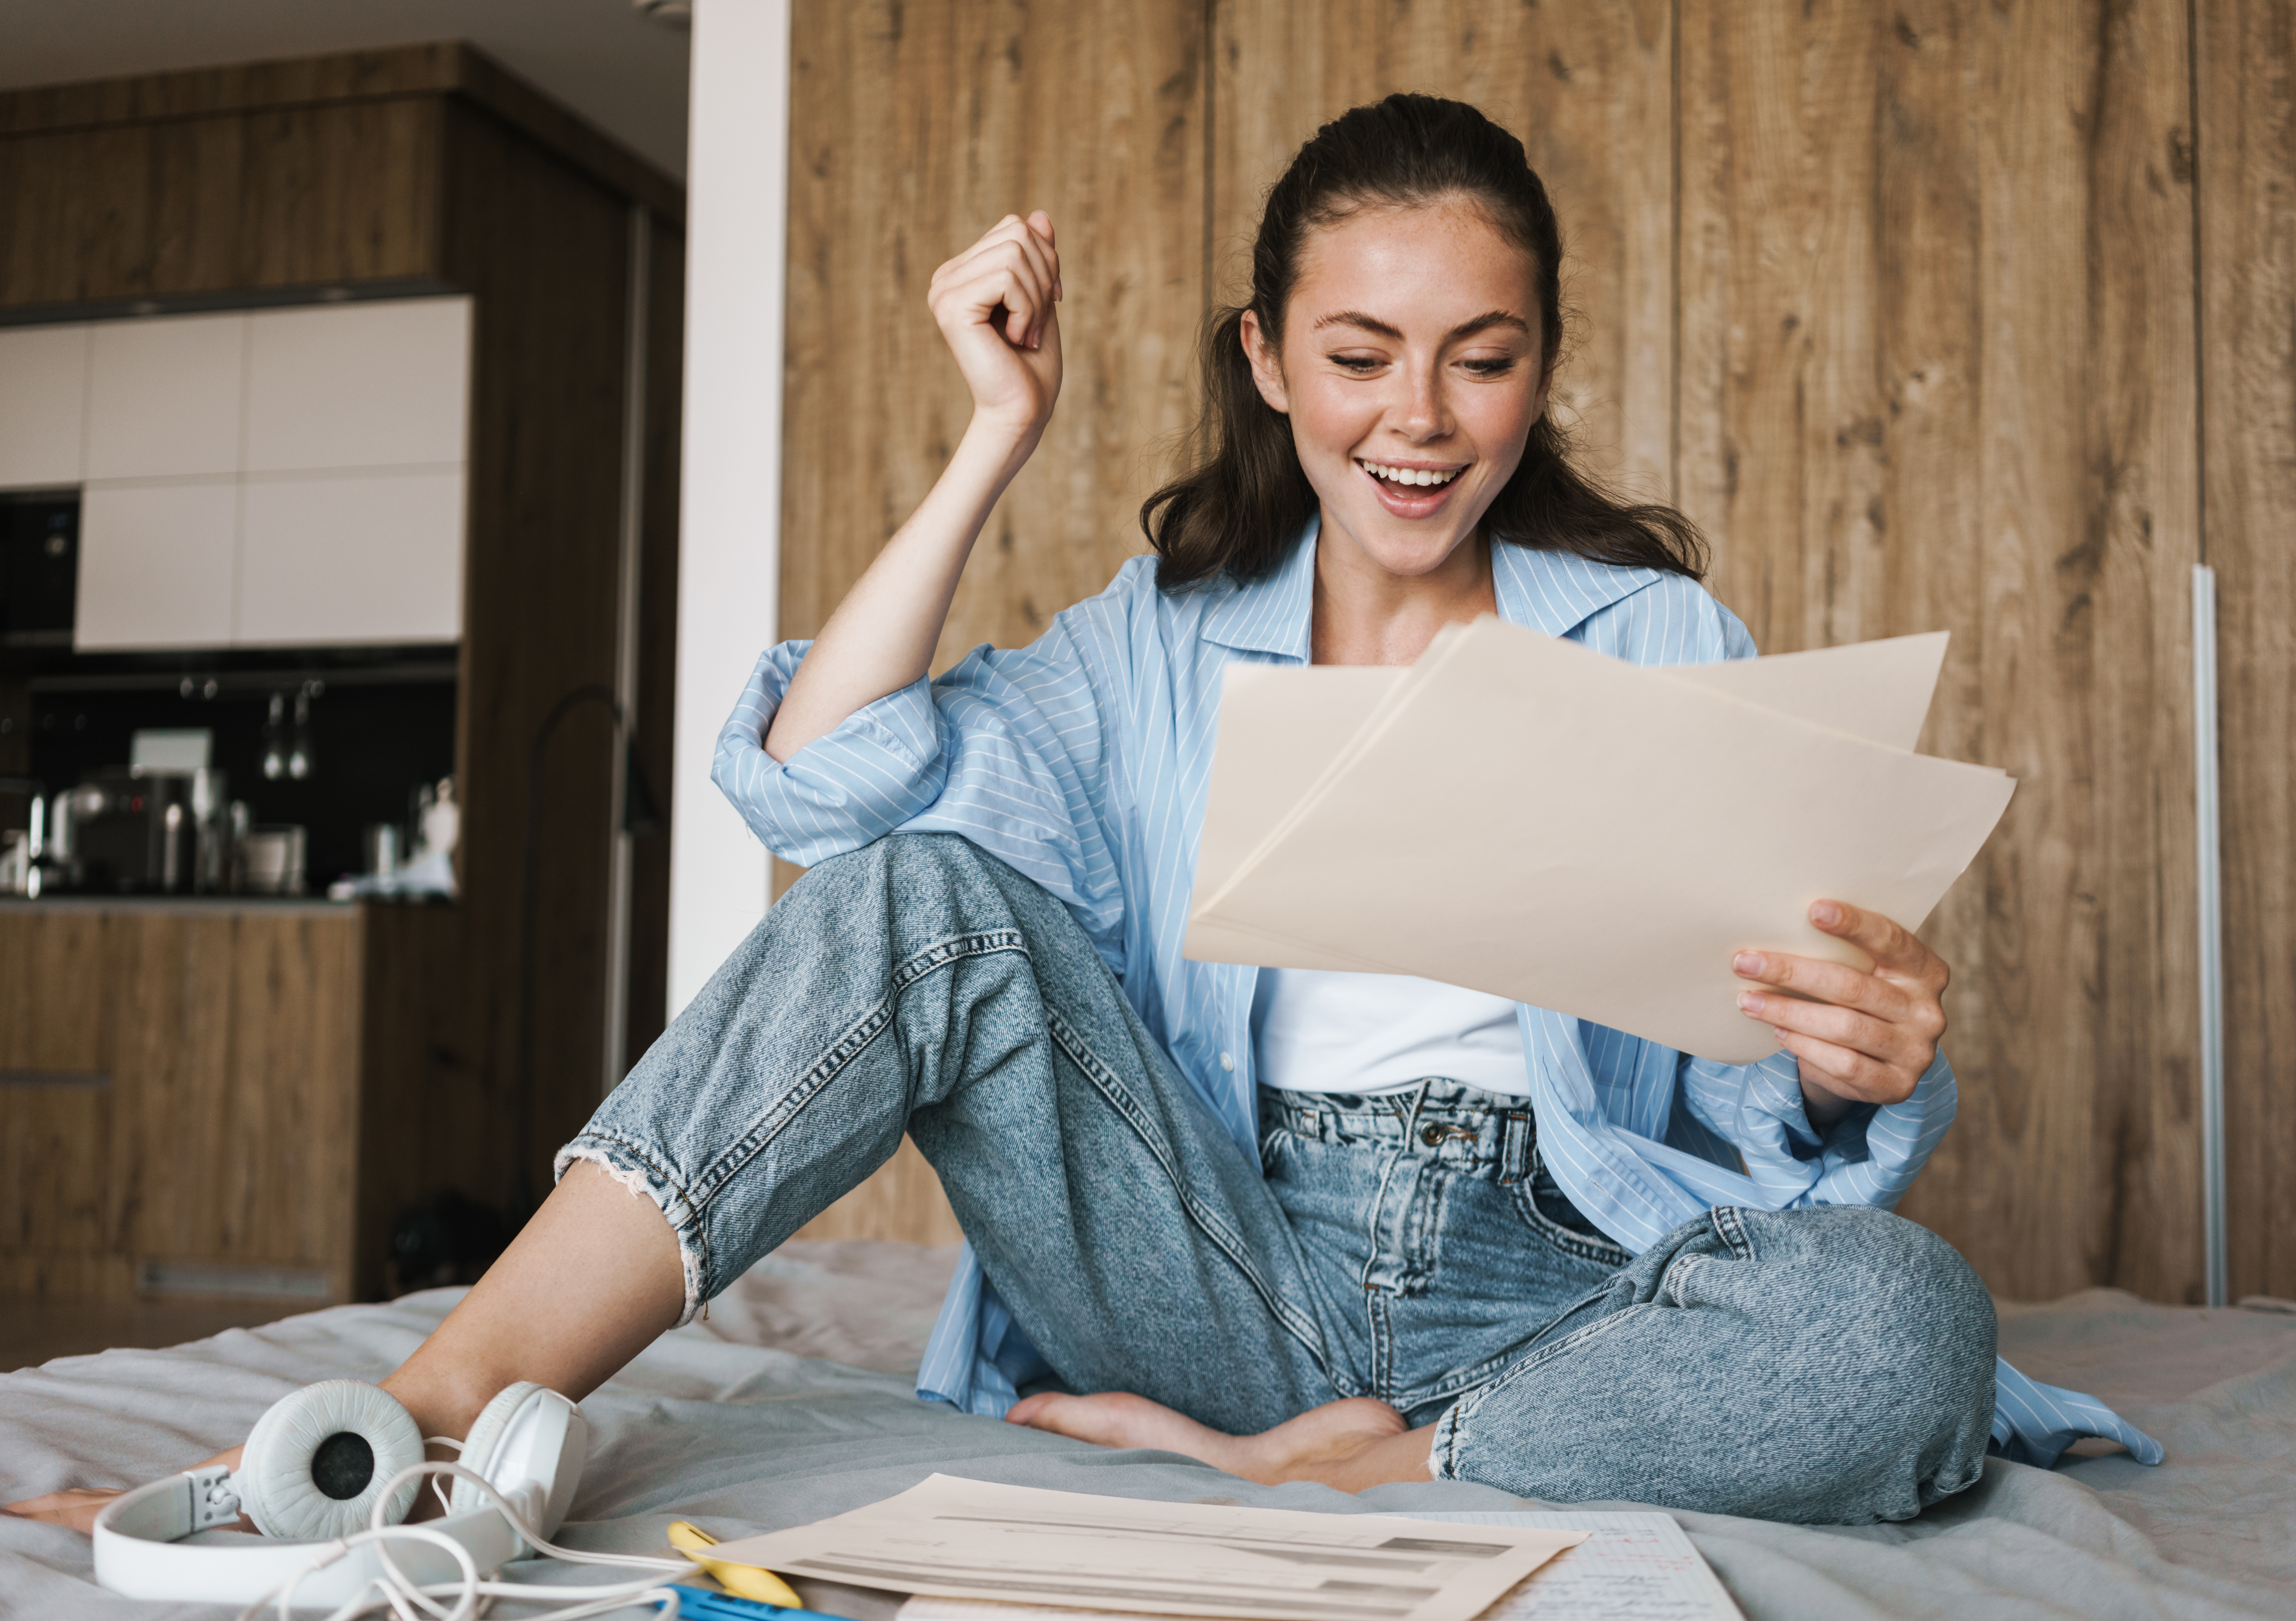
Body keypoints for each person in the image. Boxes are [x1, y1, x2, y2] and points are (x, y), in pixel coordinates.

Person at [9, 95, 2154, 1538]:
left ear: (1543, 370)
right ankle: (447, 1402)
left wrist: (1858, 1051)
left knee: (1904, 1322)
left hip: (1552, 1293)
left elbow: (1751, 1112)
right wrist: (990, 439)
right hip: (1210, 1242)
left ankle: (1363, 1460)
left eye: (1484, 360)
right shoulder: (1161, 640)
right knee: (926, 893)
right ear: (1270, 357)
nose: (1421, 419)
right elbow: (818, 783)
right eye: (1363, 354)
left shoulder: (1661, 638)